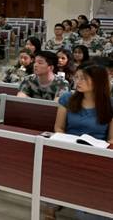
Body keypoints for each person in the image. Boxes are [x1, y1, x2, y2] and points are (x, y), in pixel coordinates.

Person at [47, 63, 113, 220]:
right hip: (69, 148)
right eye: (77, 77)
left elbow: (112, 139)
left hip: (97, 153)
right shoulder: (67, 98)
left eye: (83, 78)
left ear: (97, 81)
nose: (78, 81)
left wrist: (100, 152)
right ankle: (54, 202)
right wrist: (66, 144)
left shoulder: (110, 104)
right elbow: (59, 128)